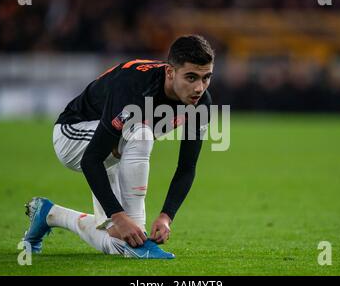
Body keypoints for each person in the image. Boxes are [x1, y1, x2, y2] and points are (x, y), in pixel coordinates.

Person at [22, 35, 214, 259]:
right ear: (170, 72)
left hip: (113, 146)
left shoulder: (201, 104)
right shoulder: (134, 87)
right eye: (191, 77)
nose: (199, 87)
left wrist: (166, 216)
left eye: (206, 77)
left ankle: (49, 214)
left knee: (118, 243)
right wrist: (119, 216)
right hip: (73, 136)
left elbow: (187, 167)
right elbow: (91, 159)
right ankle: (140, 239)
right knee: (141, 133)